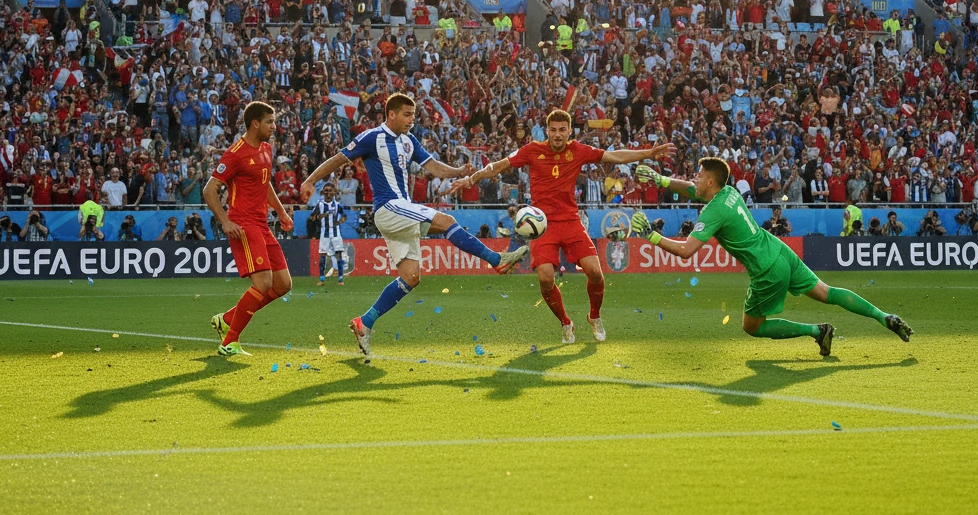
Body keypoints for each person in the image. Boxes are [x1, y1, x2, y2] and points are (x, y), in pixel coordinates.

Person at [299, 93, 528, 357]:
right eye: (407, 115)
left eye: (414, 115)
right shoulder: (372, 137)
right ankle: (495, 259)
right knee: (447, 221)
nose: (411, 120)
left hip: (401, 211)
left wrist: (459, 172)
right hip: (388, 207)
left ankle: (365, 322)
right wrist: (309, 181)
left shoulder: (409, 142)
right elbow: (338, 159)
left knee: (411, 277)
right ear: (392, 114)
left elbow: (435, 168)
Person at [631, 156, 913, 356]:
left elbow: (685, 251)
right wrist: (661, 179)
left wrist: (651, 235)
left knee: (751, 326)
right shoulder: (728, 192)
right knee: (827, 292)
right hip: (779, 250)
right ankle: (882, 316)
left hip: (766, 269)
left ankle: (818, 331)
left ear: (711, 181)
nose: (694, 178)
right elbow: (691, 189)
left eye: (699, 174)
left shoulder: (713, 210)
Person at [444, 108, 676, 344]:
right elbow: (498, 166)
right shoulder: (533, 150)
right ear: (547, 131)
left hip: (571, 222)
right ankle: (565, 322)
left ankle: (594, 316)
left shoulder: (578, 150)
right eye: (553, 130)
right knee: (545, 279)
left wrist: (647, 152)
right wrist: (472, 179)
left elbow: (613, 157)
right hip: (543, 226)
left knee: (595, 273)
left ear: (569, 131)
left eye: (562, 130)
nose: (557, 134)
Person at [204, 101, 295, 358]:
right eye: (270, 122)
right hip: (243, 225)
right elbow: (209, 190)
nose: (274, 127)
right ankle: (229, 342)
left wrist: (280, 211)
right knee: (264, 282)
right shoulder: (236, 153)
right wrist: (225, 221)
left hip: (262, 224)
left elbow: (264, 184)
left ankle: (228, 319)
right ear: (255, 123)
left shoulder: (266, 149)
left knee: (283, 284)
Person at [314, 181, 347, 284]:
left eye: (330, 191)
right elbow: (313, 217)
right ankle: (322, 279)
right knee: (323, 256)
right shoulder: (320, 205)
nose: (328, 193)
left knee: (338, 255)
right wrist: (324, 215)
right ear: (323, 192)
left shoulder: (338, 205)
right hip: (325, 233)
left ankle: (340, 279)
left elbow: (345, 216)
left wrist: (338, 222)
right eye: (326, 191)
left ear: (334, 192)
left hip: (336, 233)